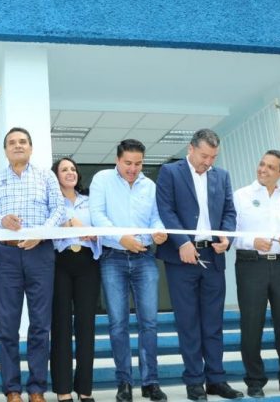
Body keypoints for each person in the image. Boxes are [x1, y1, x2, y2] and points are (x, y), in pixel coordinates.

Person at [155, 128, 243, 401]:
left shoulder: (222, 176)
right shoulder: (170, 172)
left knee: (213, 323)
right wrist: (182, 242)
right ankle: (194, 381)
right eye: (204, 156)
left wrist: (226, 238)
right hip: (182, 259)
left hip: (213, 257)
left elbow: (229, 212)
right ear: (190, 149)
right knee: (188, 323)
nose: (209, 162)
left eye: (213, 157)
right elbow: (165, 209)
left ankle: (216, 379)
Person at [0, 127, 66, 402]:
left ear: (31, 147)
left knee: (40, 324)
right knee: (7, 325)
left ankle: (37, 389)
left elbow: (59, 209)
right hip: (7, 256)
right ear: (5, 150)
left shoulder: (46, 176)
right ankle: (12, 389)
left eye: (23, 142)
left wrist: (41, 232)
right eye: (12, 143)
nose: (18, 146)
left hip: (40, 254)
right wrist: (1, 221)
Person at [88, 140, 167, 402]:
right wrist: (122, 238)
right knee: (118, 323)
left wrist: (158, 231)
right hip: (113, 258)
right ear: (117, 160)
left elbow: (155, 217)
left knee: (150, 322)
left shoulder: (149, 185)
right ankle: (124, 382)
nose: (133, 169)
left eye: (138, 163)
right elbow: (97, 215)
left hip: (145, 257)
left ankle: (150, 382)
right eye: (128, 163)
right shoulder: (102, 180)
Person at [232, 150, 280, 398]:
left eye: (270, 167)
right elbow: (230, 232)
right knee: (251, 323)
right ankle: (255, 381)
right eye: (262, 164)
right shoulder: (241, 196)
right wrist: (253, 241)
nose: (263, 170)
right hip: (250, 265)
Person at [50, 157, 102, 402]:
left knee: (86, 326)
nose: (70, 172)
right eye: (64, 169)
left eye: (73, 169)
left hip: (87, 264)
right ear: (56, 176)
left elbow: (100, 230)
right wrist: (70, 223)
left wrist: (94, 234)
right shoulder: (51, 202)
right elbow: (47, 230)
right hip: (59, 263)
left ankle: (85, 389)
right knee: (61, 326)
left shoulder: (90, 202)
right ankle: (63, 390)